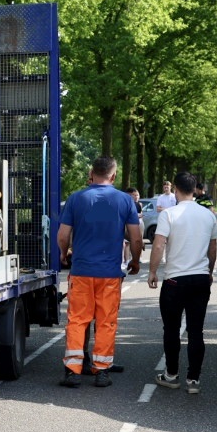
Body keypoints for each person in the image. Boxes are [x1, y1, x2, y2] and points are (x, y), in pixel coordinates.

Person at [57, 155, 143, 388]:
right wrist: (135, 261)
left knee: (77, 320)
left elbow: (63, 235)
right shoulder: (125, 201)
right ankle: (102, 370)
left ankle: (73, 370)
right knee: (106, 321)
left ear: (91, 173)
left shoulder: (76, 199)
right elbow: (135, 238)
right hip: (110, 273)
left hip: (82, 271)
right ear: (113, 175)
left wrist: (64, 255)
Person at [147, 172, 217, 394]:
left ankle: (171, 374)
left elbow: (158, 246)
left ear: (176, 189)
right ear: (195, 189)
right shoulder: (208, 215)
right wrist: (209, 271)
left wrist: (152, 271)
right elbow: (213, 249)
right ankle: (194, 380)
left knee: (171, 329)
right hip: (199, 278)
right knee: (197, 330)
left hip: (175, 280)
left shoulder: (169, 214)